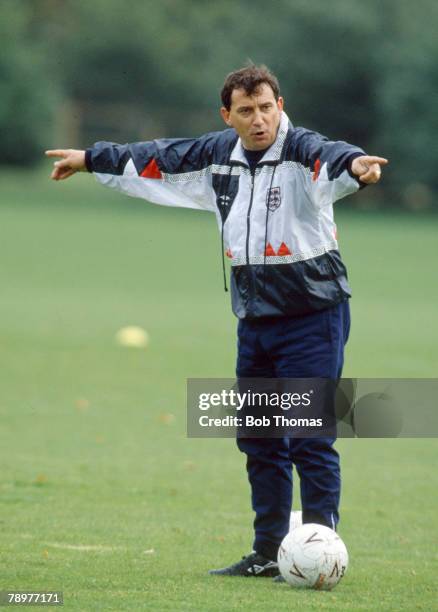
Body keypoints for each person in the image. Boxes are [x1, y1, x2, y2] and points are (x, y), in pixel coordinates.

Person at [46, 64, 387, 578]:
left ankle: (323, 554)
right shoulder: (216, 157)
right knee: (258, 437)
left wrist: (358, 165)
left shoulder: (302, 150)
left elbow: (332, 155)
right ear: (227, 115)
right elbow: (159, 156)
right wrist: (90, 158)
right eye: (246, 111)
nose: (258, 119)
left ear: (280, 105)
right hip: (254, 319)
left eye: (266, 107)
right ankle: (269, 552)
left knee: (310, 436)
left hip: (314, 316)